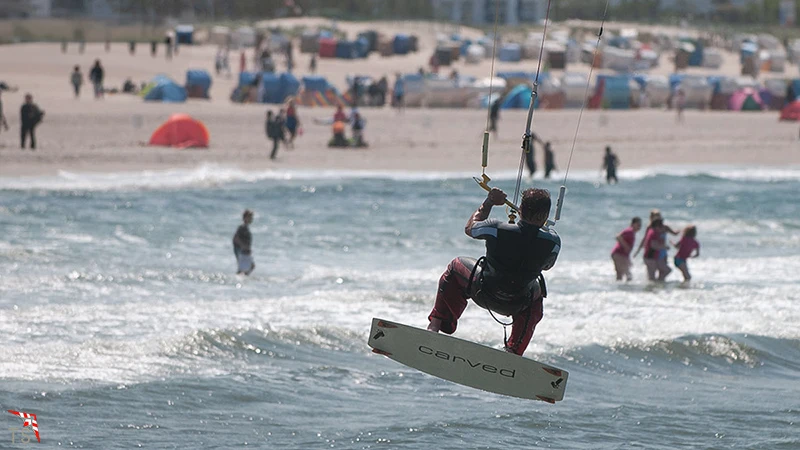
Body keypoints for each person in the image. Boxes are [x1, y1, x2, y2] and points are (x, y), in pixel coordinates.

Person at [427, 187, 561, 356]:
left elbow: (470, 228)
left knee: (456, 265)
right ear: (546, 215)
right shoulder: (553, 242)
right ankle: (514, 350)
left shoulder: (496, 228)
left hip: (483, 291)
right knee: (537, 292)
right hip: (517, 302)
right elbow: (547, 266)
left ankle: (435, 325)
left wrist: (489, 202)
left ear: (520, 210)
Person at [611, 217, 642, 282]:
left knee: (620, 275)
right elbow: (618, 237)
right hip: (618, 254)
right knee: (628, 275)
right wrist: (626, 246)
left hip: (621, 255)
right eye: (638, 225)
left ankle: (620, 287)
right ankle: (626, 287)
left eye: (640, 225)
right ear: (633, 224)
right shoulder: (629, 231)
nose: (639, 227)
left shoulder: (632, 232)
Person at [233, 209, 255, 275]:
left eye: (251, 217)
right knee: (247, 267)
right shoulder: (242, 227)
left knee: (250, 266)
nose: (251, 219)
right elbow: (235, 238)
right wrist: (243, 246)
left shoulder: (246, 227)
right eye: (250, 217)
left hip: (245, 250)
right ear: (245, 218)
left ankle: (243, 277)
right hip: (241, 251)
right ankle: (239, 277)